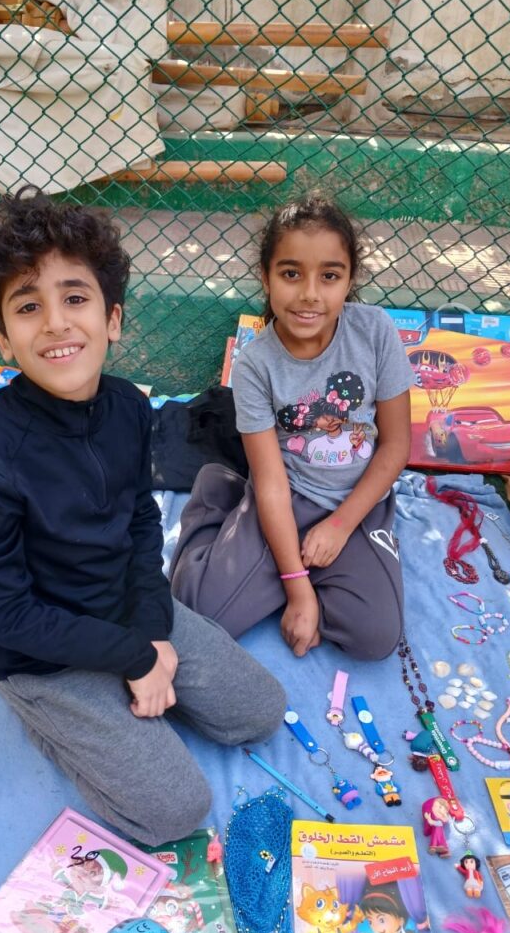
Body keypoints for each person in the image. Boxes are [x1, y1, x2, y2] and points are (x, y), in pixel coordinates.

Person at [0, 187, 286, 846]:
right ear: (2, 338)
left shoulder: (128, 408)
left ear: (112, 318)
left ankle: (132, 687)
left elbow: (140, 523)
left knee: (260, 712)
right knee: (176, 811)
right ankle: (49, 719)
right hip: (41, 654)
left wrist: (150, 630)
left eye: (75, 298)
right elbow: (3, 617)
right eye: (28, 306)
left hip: (125, 612)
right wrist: (131, 656)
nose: (55, 323)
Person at [169, 192, 413, 660]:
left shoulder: (375, 331)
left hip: (358, 503)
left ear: (350, 279)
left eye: (329, 276)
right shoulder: (255, 364)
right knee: (198, 613)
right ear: (266, 277)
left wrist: (340, 526)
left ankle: (311, 569)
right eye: (291, 274)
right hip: (286, 495)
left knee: (375, 637)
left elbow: (396, 446)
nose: (309, 294)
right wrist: (298, 589)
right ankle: (217, 498)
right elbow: (272, 484)